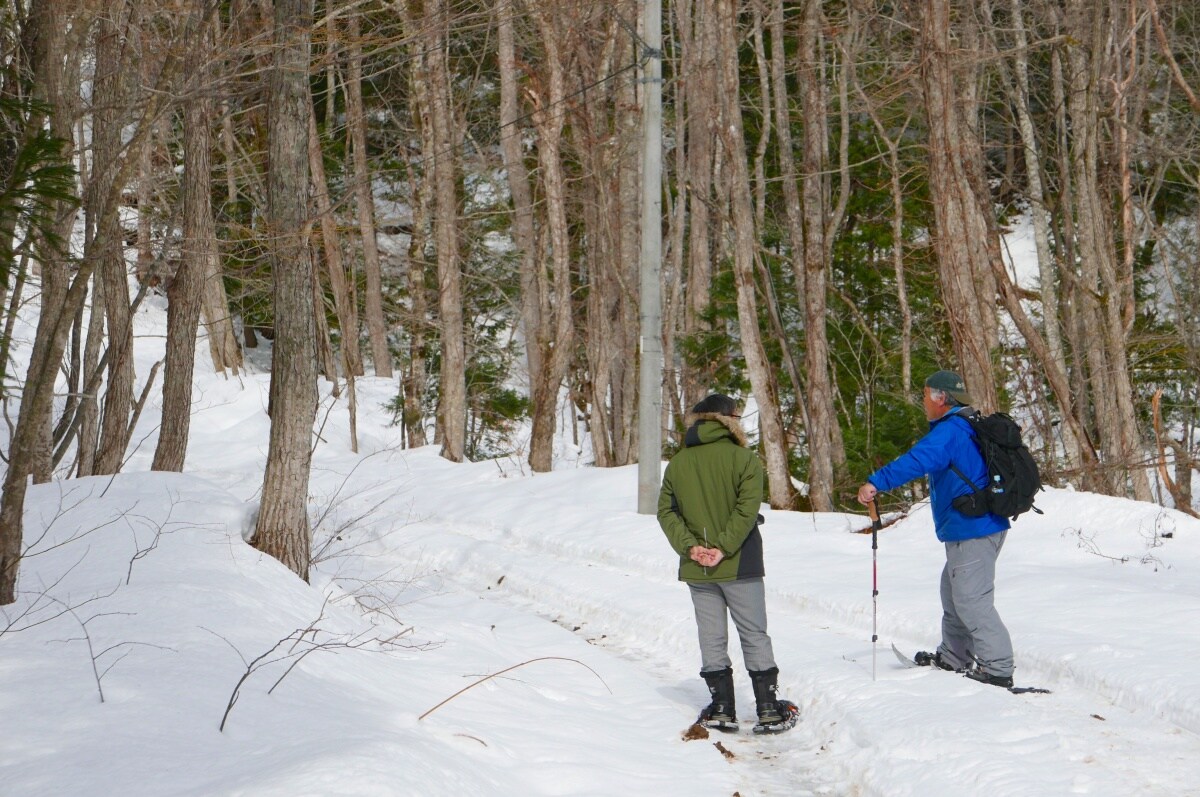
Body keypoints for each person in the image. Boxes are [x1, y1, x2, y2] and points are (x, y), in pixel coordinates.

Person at [856, 370, 1016, 688]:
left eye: (926, 394)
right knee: (953, 592)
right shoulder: (961, 425)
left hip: (975, 528)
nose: (923, 401)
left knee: (971, 600)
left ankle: (998, 668)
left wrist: (877, 482)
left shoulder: (952, 431)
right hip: (971, 527)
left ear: (941, 398)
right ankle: (955, 656)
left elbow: (916, 460)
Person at [657, 394, 796, 732]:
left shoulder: (678, 463)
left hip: (698, 567)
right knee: (753, 632)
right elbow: (746, 511)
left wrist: (693, 549)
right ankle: (768, 710)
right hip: (740, 562)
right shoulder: (744, 459)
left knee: (711, 636)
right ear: (729, 420)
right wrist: (722, 548)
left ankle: (722, 708)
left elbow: (666, 512)